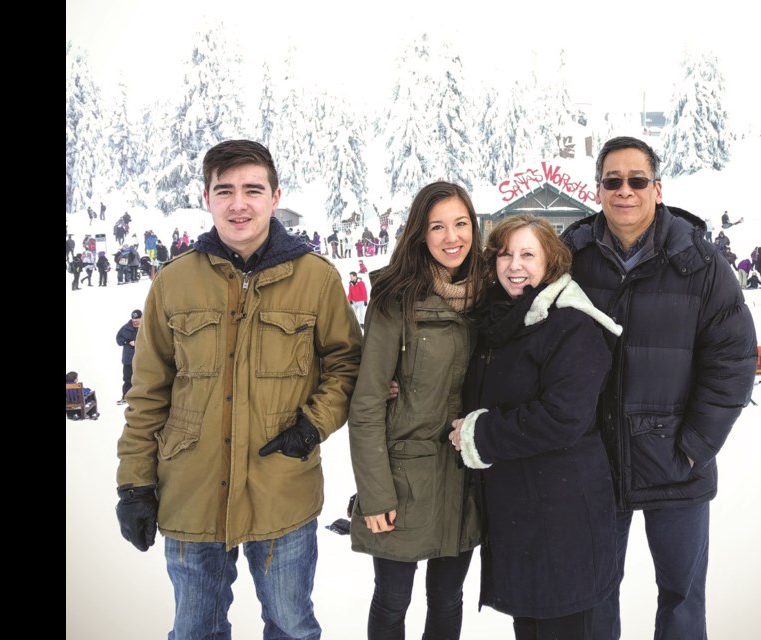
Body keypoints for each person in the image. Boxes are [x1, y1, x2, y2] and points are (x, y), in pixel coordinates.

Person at [114, 139, 363, 639]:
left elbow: (347, 365)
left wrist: (312, 426)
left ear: (275, 196)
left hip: (282, 492)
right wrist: (134, 482)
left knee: (291, 627)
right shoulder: (173, 281)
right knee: (194, 630)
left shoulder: (317, 279)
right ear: (207, 198)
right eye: (224, 190)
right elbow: (148, 393)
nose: (239, 203)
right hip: (191, 493)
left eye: (253, 189)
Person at [561, 136, 757, 640]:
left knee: (682, 599)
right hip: (595, 461)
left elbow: (733, 359)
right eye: (613, 181)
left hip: (676, 463)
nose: (625, 191)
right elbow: (523, 328)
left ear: (657, 188)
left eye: (637, 180)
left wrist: (694, 446)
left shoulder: (701, 262)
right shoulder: (571, 258)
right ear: (598, 188)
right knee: (594, 594)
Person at [448, 214, 621, 639]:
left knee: (562, 626)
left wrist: (480, 435)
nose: (514, 265)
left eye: (528, 254)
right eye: (505, 253)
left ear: (552, 264)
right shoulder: (500, 322)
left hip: (564, 518)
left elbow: (564, 417)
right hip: (522, 515)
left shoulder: (571, 324)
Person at [348, 180, 488, 640]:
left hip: (463, 478)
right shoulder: (396, 300)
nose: (453, 237)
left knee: (448, 601)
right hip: (403, 480)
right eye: (438, 227)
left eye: (461, 223)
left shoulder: (492, 299)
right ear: (419, 235)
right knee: (392, 603)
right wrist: (375, 494)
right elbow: (368, 402)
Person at [115, 309, 141, 404]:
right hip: (128, 360)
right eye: (133, 319)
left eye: (137, 319)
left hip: (142, 360)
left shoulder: (146, 328)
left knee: (142, 379)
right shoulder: (125, 328)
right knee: (127, 379)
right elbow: (118, 339)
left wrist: (138, 343)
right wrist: (126, 342)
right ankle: (125, 397)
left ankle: (142, 398)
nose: (135, 321)